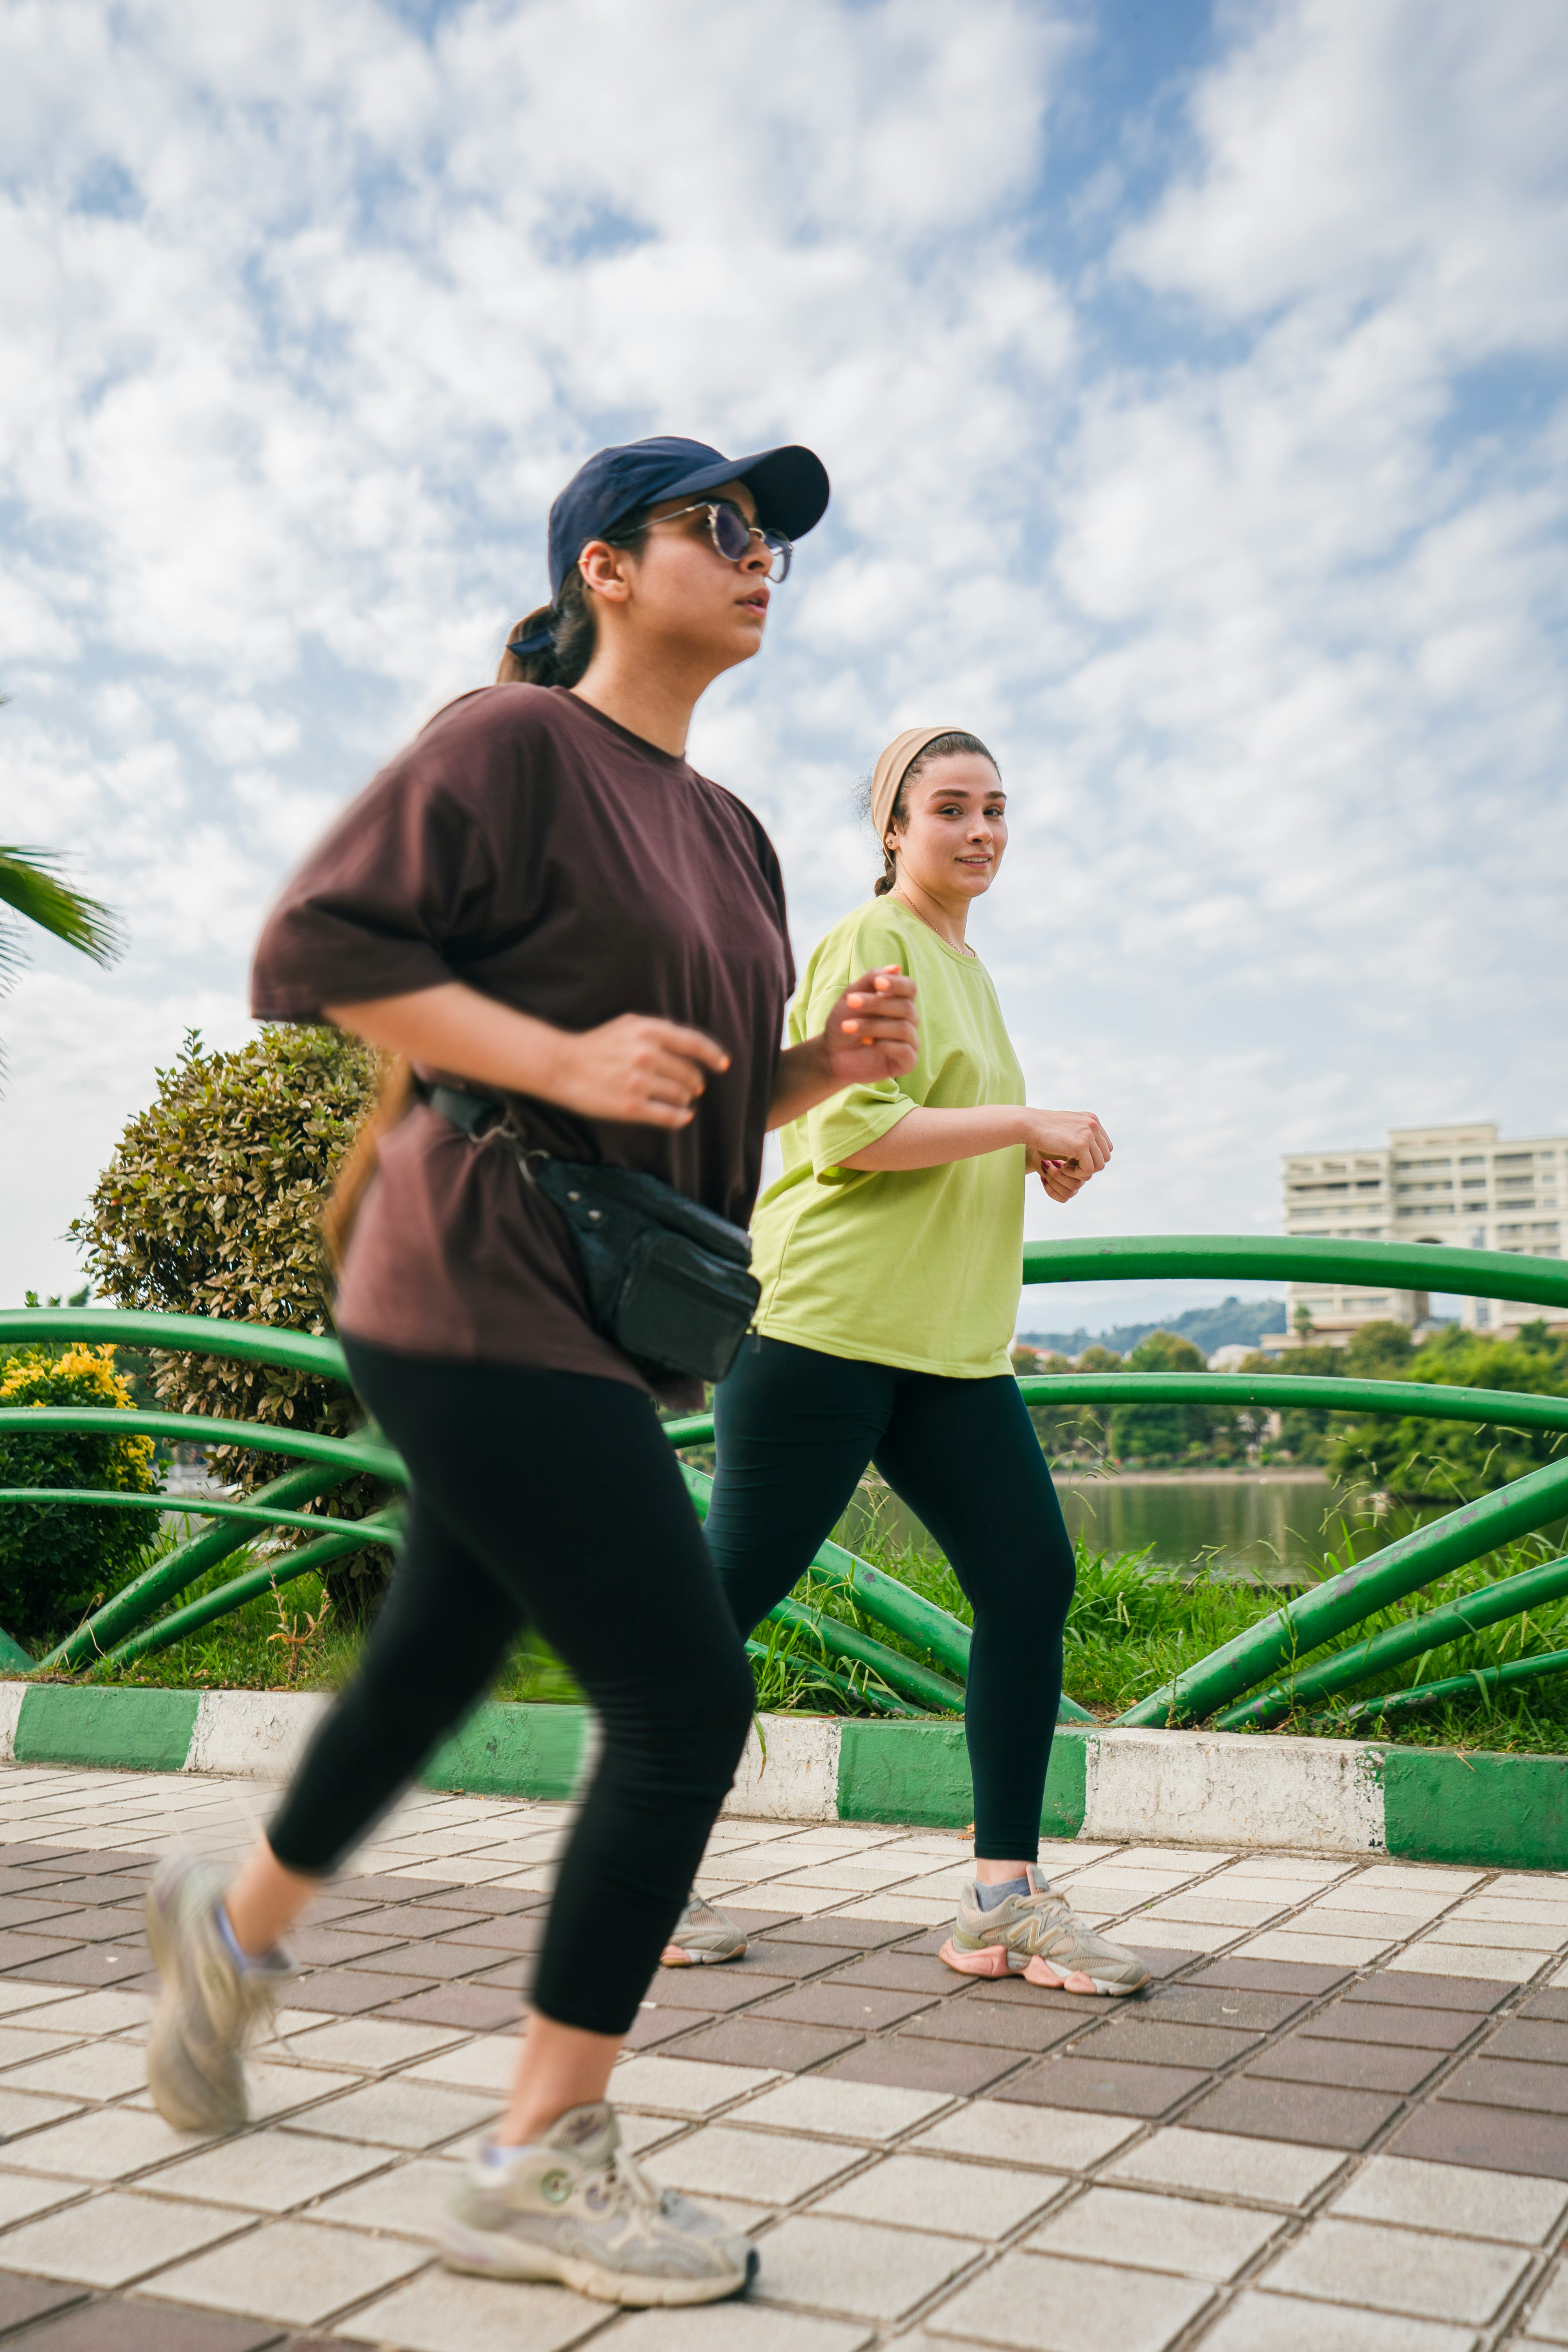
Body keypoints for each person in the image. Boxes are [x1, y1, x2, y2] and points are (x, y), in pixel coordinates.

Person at [141, 436, 921, 2309]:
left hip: (597, 1301)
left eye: (773, 540)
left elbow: (701, 1090)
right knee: (684, 1690)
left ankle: (228, 1936)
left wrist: (821, 1069)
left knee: (440, 1646)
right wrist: (557, 1064)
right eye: (719, 526)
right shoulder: (508, 744)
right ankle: (534, 2160)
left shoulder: (733, 830)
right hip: (464, 1266)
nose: (758, 559)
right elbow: (309, 949)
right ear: (604, 567)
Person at [665, 725, 1150, 1997]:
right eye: (951, 809)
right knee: (721, 1609)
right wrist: (1027, 1118)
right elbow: (853, 1134)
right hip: (823, 1330)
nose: (982, 830)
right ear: (894, 829)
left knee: (1031, 1579)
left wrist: (1034, 1156)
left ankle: (1002, 1900)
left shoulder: (969, 972)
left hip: (950, 1351)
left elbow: (939, 1131)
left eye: (998, 808)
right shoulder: (868, 942)